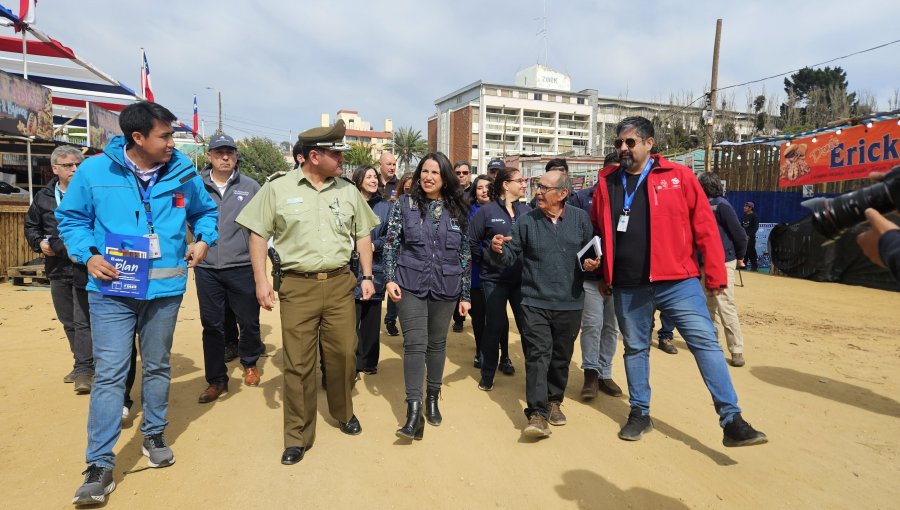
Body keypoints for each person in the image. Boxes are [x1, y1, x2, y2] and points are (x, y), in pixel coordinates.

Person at [57, 101, 219, 505]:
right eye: (165, 136)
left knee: (158, 364)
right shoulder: (94, 171)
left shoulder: (182, 171)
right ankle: (99, 465)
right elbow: (72, 219)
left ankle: (154, 434)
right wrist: (88, 255)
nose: (172, 143)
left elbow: (205, 213)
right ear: (138, 138)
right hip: (112, 290)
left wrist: (201, 240)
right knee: (111, 372)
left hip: (164, 291)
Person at [590, 116, 766, 447]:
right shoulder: (607, 183)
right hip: (629, 285)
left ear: (648, 143)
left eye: (630, 142)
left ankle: (732, 420)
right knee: (636, 348)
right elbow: (599, 232)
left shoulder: (679, 177)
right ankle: (640, 413)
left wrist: (714, 274)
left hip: (678, 282)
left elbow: (705, 228)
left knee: (705, 343)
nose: (623, 148)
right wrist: (603, 273)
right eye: (618, 144)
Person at [236, 119, 379, 465]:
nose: (342, 160)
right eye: (336, 153)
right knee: (299, 363)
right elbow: (257, 234)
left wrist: (367, 274)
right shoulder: (277, 188)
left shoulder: (347, 190)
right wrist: (260, 281)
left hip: (340, 284)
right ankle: (297, 434)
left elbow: (362, 234)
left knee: (345, 354)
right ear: (314, 156)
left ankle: (343, 412)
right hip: (298, 287)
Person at [489, 170, 594, 438]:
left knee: (561, 357)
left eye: (544, 187)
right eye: (537, 185)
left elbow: (588, 256)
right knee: (538, 355)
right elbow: (510, 256)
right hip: (534, 301)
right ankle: (536, 413)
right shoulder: (526, 222)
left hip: (570, 303)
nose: (537, 191)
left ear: (562, 194)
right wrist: (498, 249)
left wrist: (592, 264)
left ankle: (553, 401)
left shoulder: (581, 220)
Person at [384, 152, 471, 441]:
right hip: (410, 283)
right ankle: (413, 411)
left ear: (445, 178)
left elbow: (464, 254)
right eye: (424, 171)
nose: (428, 176)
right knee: (415, 344)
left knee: (437, 344)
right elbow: (391, 243)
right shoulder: (405, 205)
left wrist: (465, 294)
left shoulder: (459, 207)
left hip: (446, 286)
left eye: (435, 172)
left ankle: (433, 396)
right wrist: (390, 278)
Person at [195, 133, 265, 403]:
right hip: (207, 268)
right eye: (219, 152)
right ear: (209, 156)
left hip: (242, 266)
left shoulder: (250, 187)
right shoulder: (195, 185)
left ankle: (249, 363)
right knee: (211, 325)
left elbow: (261, 226)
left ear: (236, 156)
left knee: (248, 321)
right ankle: (216, 380)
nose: (225, 157)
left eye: (230, 152)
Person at [24, 145, 94, 393]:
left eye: (78, 164)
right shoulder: (43, 196)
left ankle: (84, 369)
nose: (75, 169)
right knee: (67, 320)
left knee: (83, 319)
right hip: (56, 268)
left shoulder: (90, 191)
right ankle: (83, 364)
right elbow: (31, 226)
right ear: (55, 168)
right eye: (68, 165)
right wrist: (39, 243)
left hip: (84, 266)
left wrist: (63, 245)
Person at [469, 166, 530, 390]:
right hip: (493, 279)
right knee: (493, 326)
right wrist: (489, 256)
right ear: (506, 184)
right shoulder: (485, 212)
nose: (523, 184)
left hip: (521, 281)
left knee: (527, 327)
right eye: (519, 180)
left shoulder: (526, 211)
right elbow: (472, 243)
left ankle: (532, 376)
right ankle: (487, 375)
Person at [574, 152, 622, 399]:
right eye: (612, 172)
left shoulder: (629, 200)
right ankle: (590, 373)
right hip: (592, 277)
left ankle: (605, 372)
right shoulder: (583, 198)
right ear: (602, 173)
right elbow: (576, 237)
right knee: (593, 325)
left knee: (611, 328)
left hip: (619, 279)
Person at [696, 172, 749, 367]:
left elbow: (739, 235)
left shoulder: (720, 206)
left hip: (720, 262)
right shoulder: (714, 205)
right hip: (711, 261)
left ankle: (734, 348)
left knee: (721, 305)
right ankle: (718, 346)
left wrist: (739, 256)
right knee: (714, 305)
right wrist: (740, 256)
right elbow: (740, 236)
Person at [351, 165, 391, 375]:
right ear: (358, 180)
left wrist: (375, 245)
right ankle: (354, 363)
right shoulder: (349, 203)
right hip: (350, 270)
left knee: (371, 319)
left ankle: (369, 362)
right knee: (351, 320)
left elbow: (391, 235)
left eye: (375, 177)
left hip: (375, 267)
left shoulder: (385, 207)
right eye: (369, 177)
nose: (374, 180)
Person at [383, 172, 415, 337]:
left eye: (412, 189)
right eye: (406, 188)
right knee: (395, 291)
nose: (409, 192)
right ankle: (390, 319)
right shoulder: (394, 205)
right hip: (396, 256)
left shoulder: (419, 207)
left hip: (411, 258)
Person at [467, 175, 493, 369]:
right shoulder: (469, 211)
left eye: (487, 187)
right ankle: (479, 351)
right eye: (479, 187)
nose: (484, 190)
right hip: (476, 268)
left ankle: (501, 354)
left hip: (498, 271)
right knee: (478, 314)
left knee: (496, 316)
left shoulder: (503, 209)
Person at [451, 160, 473, 332]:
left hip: (473, 240)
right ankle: (458, 319)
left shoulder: (477, 191)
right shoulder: (449, 192)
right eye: (458, 173)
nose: (461, 176)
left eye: (464, 173)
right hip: (454, 240)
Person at [741, 202, 759, 271]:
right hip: (743, 237)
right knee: (744, 252)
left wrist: (749, 235)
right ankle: (743, 265)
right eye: (744, 206)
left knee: (751, 251)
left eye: (746, 206)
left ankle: (754, 267)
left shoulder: (754, 216)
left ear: (750, 208)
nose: (744, 207)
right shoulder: (743, 216)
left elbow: (755, 227)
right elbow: (741, 226)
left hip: (750, 238)